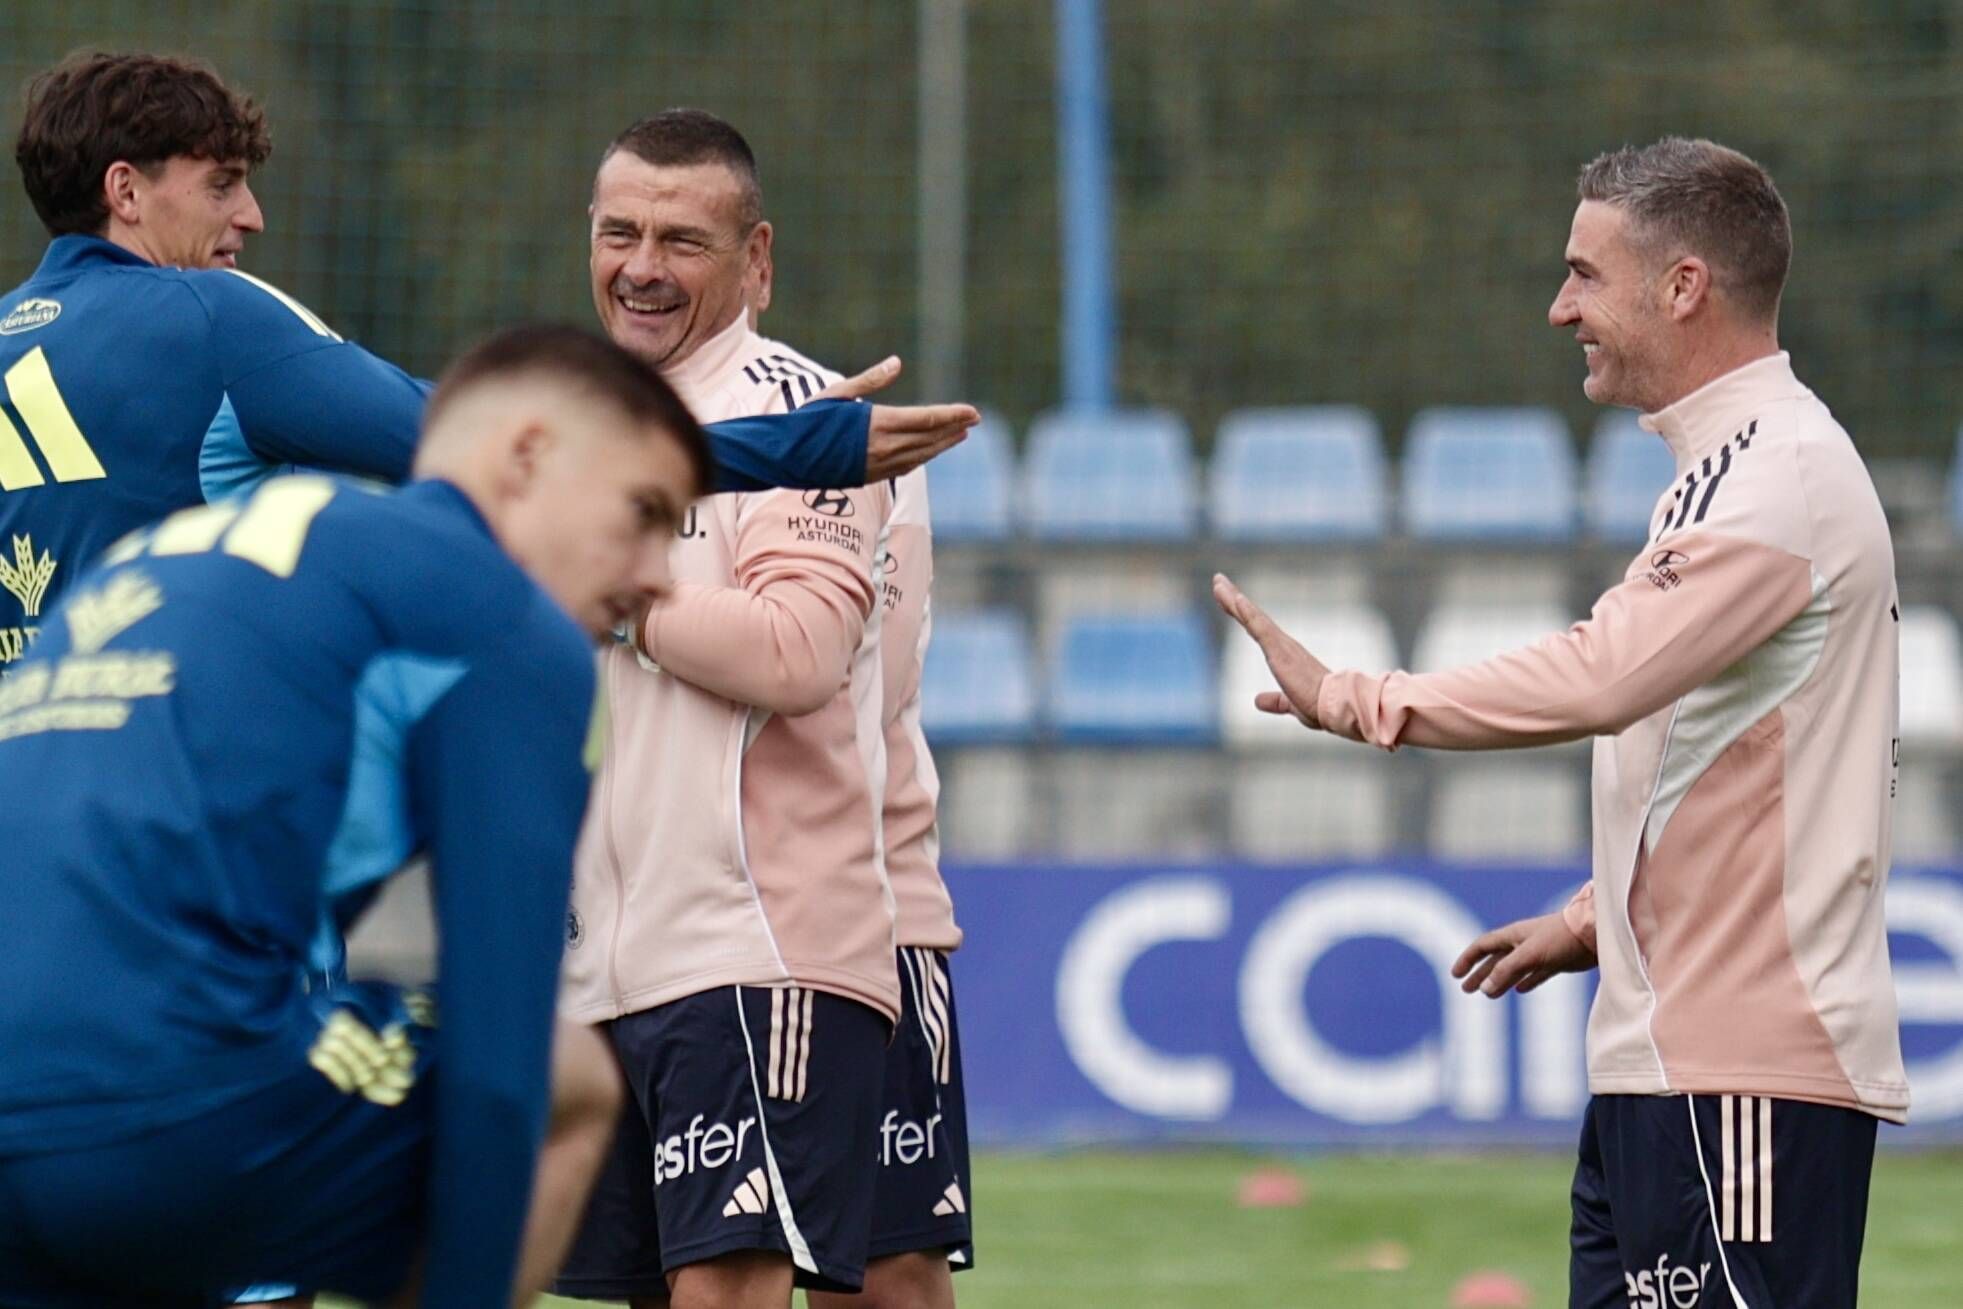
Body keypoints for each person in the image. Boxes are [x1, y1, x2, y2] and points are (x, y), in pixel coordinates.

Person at [1217, 137, 1903, 1308]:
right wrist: (1593, 919)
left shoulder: (1774, 474)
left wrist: (1355, 699)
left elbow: (1602, 676)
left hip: (1737, 1077)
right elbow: (1716, 747)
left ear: (1681, 286)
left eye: (1584, 274)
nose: (1559, 308)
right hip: (1671, 1071)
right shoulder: (1732, 469)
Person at [0, 323, 727, 1307]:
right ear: (526, 456)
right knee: (572, 1080)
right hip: (159, 1119)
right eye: (644, 512)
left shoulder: (172, 553)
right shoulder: (497, 611)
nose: (658, 573)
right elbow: (501, 1053)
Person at [0, 52, 978, 677]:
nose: (250, 217)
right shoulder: (212, 319)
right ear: (126, 191)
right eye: (221, 185)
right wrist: (804, 447)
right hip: (175, 835)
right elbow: (499, 446)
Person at [553, 110, 920, 1309]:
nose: (642, 268)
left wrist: (608, 587)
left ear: (754, 258)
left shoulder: (806, 417)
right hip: (603, 967)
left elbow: (797, 649)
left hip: (755, 951)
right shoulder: (570, 425)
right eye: (619, 234)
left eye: (682, 241)